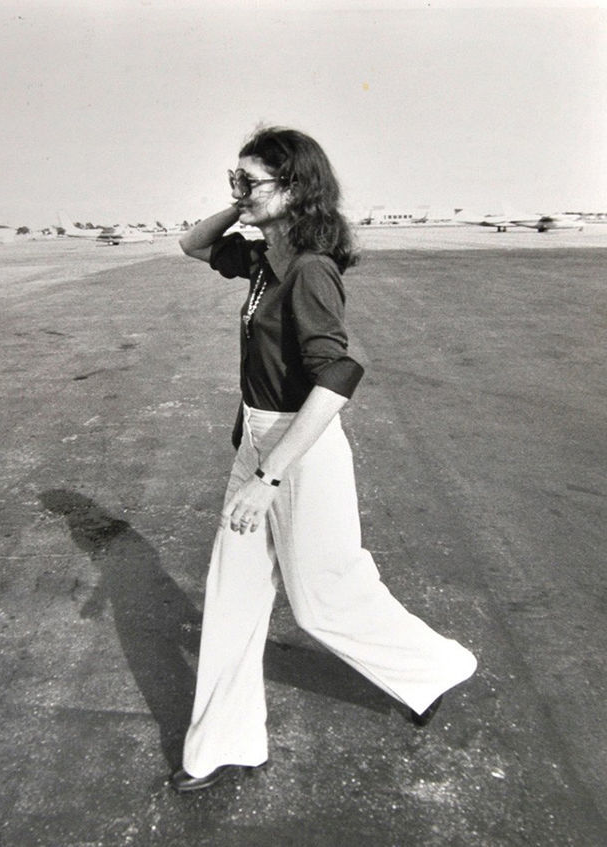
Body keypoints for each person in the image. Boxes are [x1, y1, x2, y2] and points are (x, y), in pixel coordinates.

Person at [170, 127, 476, 792]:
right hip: (257, 439)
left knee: (322, 601)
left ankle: (435, 668)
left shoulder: (310, 271)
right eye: (234, 178)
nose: (239, 190)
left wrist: (269, 475)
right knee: (231, 596)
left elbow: (338, 374)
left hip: (299, 450)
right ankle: (225, 742)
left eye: (251, 180)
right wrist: (243, 202)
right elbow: (191, 244)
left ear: (296, 188)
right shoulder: (264, 258)